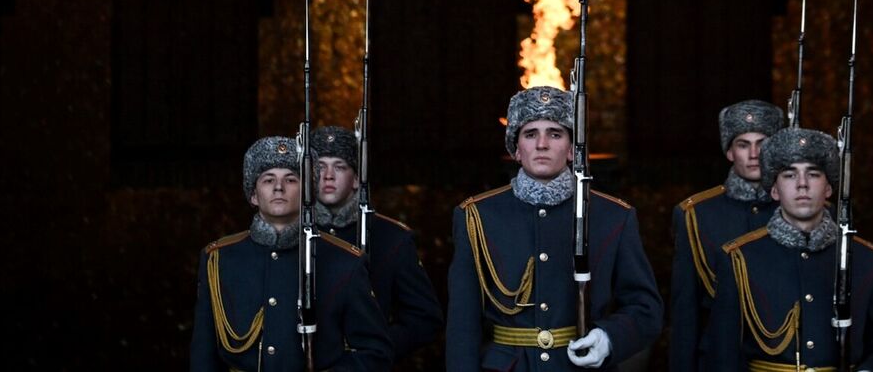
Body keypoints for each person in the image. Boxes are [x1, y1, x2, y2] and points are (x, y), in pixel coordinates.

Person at [446, 86, 663, 371]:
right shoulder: (477, 216)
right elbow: (463, 323)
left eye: (555, 133)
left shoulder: (613, 216)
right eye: (530, 133)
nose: (542, 144)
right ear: (515, 150)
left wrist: (608, 338)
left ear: (573, 150)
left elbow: (645, 309)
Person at [703, 127, 873, 372]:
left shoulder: (867, 259)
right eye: (789, 175)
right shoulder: (740, 258)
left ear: (828, 188)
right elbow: (722, 354)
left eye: (813, 174)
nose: (802, 185)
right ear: (774, 190)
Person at [190, 136, 394, 372]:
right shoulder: (220, 259)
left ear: (308, 193)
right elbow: (203, 355)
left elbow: (376, 353)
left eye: (291, 179)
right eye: (268, 179)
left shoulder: (344, 261)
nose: (279, 187)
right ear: (253, 195)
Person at [312, 124, 444, 361]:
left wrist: (375, 348)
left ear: (355, 179)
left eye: (339, 166)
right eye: (320, 167)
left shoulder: (392, 238)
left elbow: (424, 319)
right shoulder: (294, 234)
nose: (328, 175)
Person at [669, 100, 783, 371]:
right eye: (743, 144)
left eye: (763, 143)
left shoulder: (800, 212)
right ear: (730, 152)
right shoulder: (696, 214)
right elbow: (686, 311)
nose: (754, 154)